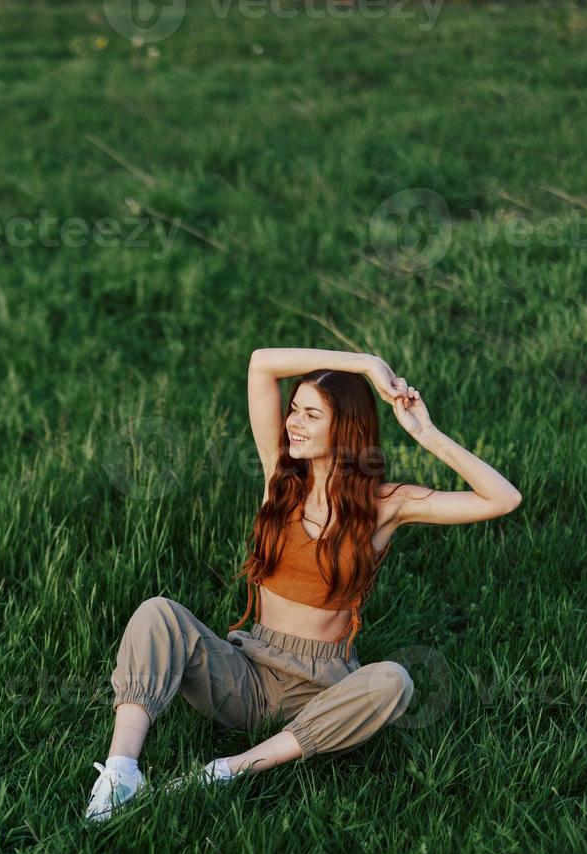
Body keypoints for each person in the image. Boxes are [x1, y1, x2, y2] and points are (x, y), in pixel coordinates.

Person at [85, 348, 522, 822]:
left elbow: (502, 498)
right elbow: (260, 363)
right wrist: (368, 364)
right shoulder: (279, 477)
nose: (294, 422)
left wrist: (426, 432)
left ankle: (226, 769)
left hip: (321, 691)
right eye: (294, 409)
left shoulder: (385, 505)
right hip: (247, 676)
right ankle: (121, 772)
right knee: (158, 613)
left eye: (312, 414)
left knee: (393, 680)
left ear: (345, 428)